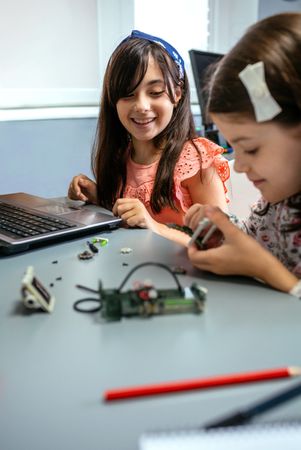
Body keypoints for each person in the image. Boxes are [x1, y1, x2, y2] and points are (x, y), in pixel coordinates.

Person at [184, 13, 301, 297]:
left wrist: (263, 269)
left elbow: (262, 264)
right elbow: (256, 243)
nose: (239, 167)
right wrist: (222, 230)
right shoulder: (278, 201)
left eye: (250, 148)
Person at [68, 30, 229, 236]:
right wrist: (97, 196)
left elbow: (221, 241)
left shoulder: (197, 160)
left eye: (155, 93)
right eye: (128, 94)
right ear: (113, 100)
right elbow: (129, 215)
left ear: (177, 94)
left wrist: (154, 226)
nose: (142, 106)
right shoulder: (120, 157)